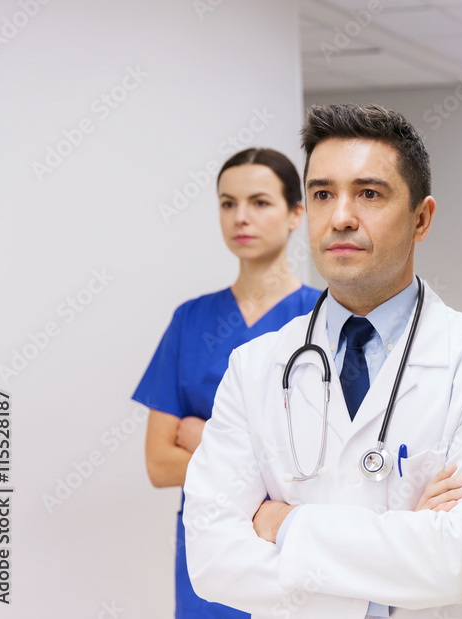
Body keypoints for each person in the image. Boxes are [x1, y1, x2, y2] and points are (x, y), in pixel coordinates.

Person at [182, 103, 462, 619]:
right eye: (322, 194)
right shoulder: (254, 367)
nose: (341, 216)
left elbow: (457, 561)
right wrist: (399, 556)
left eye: (369, 193)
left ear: (421, 218)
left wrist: (285, 525)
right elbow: (213, 560)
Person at [135, 147, 323, 618]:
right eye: (227, 203)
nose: (241, 217)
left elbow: (325, 464)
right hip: (207, 542)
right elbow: (159, 463)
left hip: (291, 541)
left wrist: (206, 440)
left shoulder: (324, 320)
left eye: (259, 202)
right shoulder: (190, 320)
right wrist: (265, 463)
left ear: (296, 212)